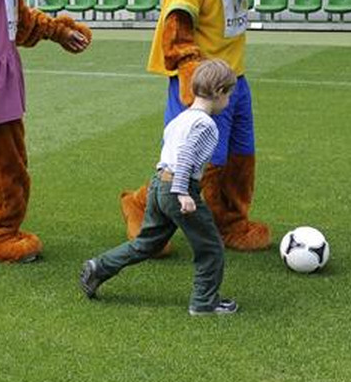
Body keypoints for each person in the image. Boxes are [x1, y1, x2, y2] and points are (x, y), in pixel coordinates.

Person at [80, 59, 239, 316]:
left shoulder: (180, 119)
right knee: (210, 247)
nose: (229, 101)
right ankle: (204, 303)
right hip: (179, 187)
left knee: (147, 243)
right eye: (229, 94)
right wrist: (183, 192)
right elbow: (186, 155)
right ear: (219, 92)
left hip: (158, 183)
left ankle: (100, 266)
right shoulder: (205, 124)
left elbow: (169, 147)